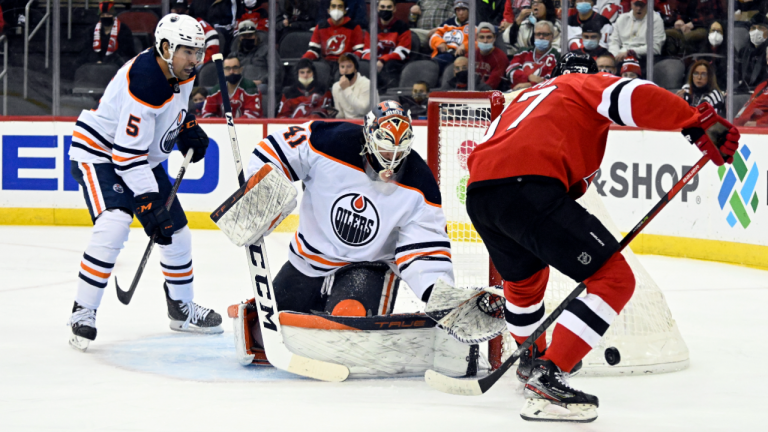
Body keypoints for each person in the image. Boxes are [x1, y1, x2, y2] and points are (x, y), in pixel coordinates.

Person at [463, 51, 739, 422]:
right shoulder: (580, 84)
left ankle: (531, 359)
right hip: (526, 184)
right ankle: (549, 376)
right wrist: (695, 121)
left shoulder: (526, 99)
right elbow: (634, 93)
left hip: (481, 195)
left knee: (525, 283)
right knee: (614, 279)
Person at [234, 102, 453, 365]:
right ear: (369, 134)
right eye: (385, 145)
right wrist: (262, 192)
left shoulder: (420, 182)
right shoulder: (328, 142)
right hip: (310, 260)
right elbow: (273, 150)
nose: (392, 158)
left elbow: (424, 249)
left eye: (400, 148)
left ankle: (337, 313)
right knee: (259, 334)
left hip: (368, 266)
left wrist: (439, 296)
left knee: (347, 331)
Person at [67, 14, 221, 351]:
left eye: (198, 52)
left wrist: (186, 126)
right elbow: (124, 156)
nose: (195, 60)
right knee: (116, 221)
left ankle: (181, 309)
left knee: (177, 230)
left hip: (139, 158)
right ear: (165, 47)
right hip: (102, 154)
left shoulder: (181, 72)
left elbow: (173, 110)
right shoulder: (146, 81)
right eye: (188, 52)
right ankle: (83, 310)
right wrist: (148, 200)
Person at [303, 0, 364, 77]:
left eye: (340, 6)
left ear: (345, 11)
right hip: (325, 63)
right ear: (328, 10)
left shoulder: (354, 27)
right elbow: (313, 50)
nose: (336, 9)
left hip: (345, 62)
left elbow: (359, 51)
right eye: (334, 6)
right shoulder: (320, 26)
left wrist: (348, 61)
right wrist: (303, 60)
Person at [361, 0, 412, 91]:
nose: (385, 10)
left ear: (394, 9)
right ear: (377, 8)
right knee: (363, 65)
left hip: (393, 62)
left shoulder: (402, 26)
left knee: (389, 66)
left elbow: (402, 51)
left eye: (389, 7)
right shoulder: (372, 26)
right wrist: (374, 62)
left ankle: (390, 96)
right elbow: (367, 50)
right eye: (382, 7)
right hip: (374, 61)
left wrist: (383, 60)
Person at [506, 20, 559, 90]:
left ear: (552, 36)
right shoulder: (523, 52)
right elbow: (510, 71)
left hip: (541, 93)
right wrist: (528, 77)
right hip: (515, 92)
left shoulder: (556, 56)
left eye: (545, 34)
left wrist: (530, 85)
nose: (541, 37)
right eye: (538, 34)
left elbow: (552, 80)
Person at [233, 20, 284, 89]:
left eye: (250, 35)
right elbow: (227, 72)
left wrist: (262, 81)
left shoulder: (268, 51)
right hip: (240, 87)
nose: (247, 38)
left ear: (256, 36)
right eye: (244, 36)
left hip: (262, 86)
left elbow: (276, 71)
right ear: (240, 38)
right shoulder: (235, 55)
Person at [80, 1, 135, 66]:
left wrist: (108, 60)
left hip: (116, 63)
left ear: (113, 15)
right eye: (103, 14)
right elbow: (87, 49)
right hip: (95, 65)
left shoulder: (123, 29)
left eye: (108, 14)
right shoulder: (91, 30)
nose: (106, 16)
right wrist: (96, 60)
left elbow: (125, 50)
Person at [171, 0, 220, 66]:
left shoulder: (197, 23)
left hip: (195, 64)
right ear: (171, 10)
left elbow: (213, 36)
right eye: (177, 10)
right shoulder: (166, 26)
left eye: (183, 10)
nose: (180, 13)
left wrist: (205, 62)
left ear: (187, 11)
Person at [332, 53, 370, 119]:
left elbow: (362, 111)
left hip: (365, 123)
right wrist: (332, 113)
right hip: (347, 125)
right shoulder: (336, 86)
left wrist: (346, 89)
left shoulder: (366, 84)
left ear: (355, 69)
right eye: (342, 67)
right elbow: (340, 115)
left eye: (349, 67)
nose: (345, 70)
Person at [475, 22, 509, 90]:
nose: (485, 41)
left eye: (489, 37)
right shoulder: (472, 55)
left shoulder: (500, 57)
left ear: (494, 38)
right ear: (476, 38)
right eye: (481, 37)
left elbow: (492, 84)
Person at [738, 14, 768, 91]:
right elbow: (738, 76)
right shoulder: (743, 52)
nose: (756, 31)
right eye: (753, 28)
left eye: (761, 28)